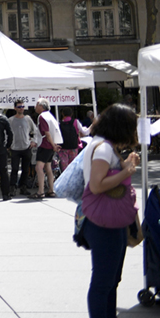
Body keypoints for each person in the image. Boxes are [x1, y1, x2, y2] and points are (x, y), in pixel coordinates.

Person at [80, 104, 141, 318]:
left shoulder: (103, 146)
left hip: (104, 220)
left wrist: (125, 165)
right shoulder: (104, 148)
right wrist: (127, 171)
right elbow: (97, 185)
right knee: (104, 282)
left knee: (109, 281)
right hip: (103, 222)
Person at [30, 98, 62, 199]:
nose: (35, 107)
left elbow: (47, 133)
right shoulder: (50, 116)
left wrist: (53, 145)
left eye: (36, 105)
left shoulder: (42, 117)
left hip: (45, 144)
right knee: (48, 167)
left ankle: (40, 191)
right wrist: (54, 145)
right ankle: (51, 190)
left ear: (41, 106)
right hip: (50, 145)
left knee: (39, 168)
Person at [8, 101, 37, 196]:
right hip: (15, 148)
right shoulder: (11, 120)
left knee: (25, 169)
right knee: (14, 169)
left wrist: (33, 141)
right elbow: (6, 133)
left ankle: (23, 187)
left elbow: (36, 131)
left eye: (23, 106)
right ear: (15, 108)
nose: (21, 108)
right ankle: (12, 187)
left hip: (26, 147)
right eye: (19, 106)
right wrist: (8, 144)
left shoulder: (27, 119)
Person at [58, 107, 89, 172]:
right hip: (74, 146)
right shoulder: (75, 121)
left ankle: (64, 179)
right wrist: (92, 126)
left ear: (63, 114)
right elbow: (85, 132)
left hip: (63, 147)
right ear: (72, 114)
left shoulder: (59, 123)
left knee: (64, 167)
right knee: (73, 165)